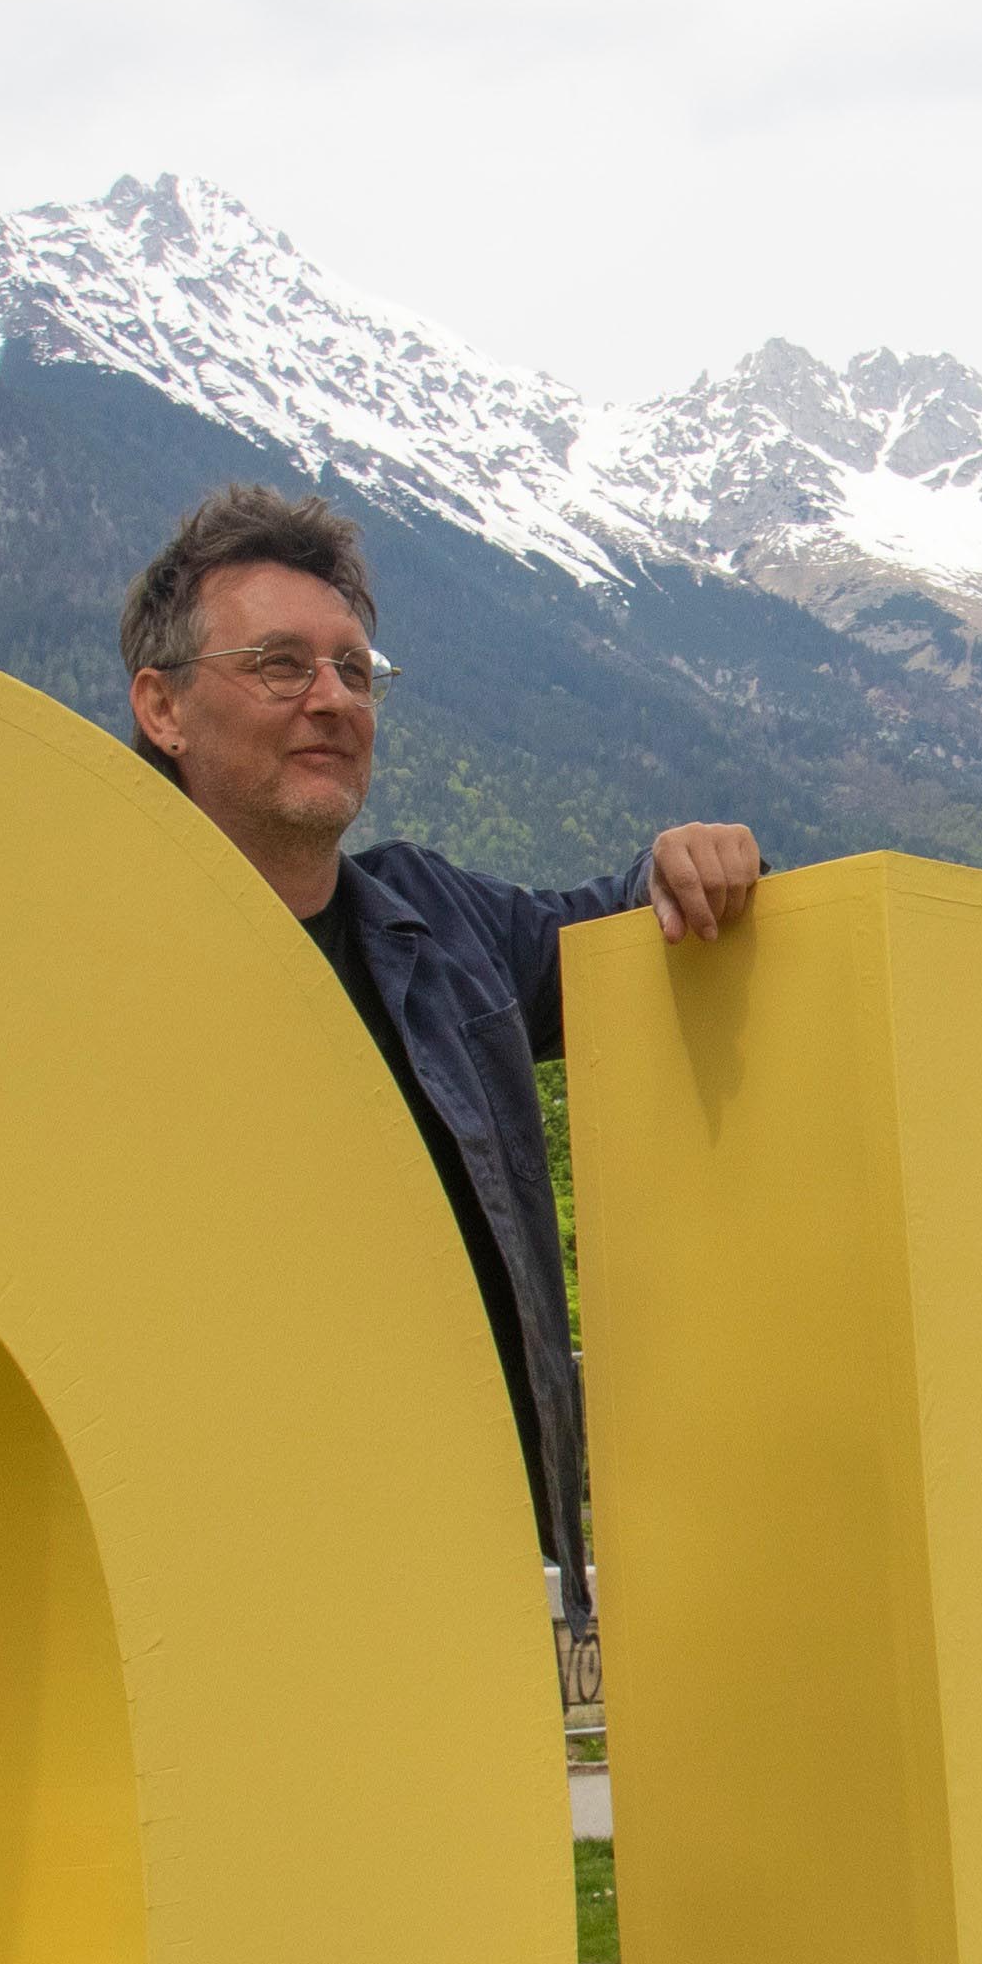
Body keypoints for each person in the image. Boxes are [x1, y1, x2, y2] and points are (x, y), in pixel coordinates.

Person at [123, 484, 765, 1599]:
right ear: (163, 708)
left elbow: (614, 929)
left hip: (468, 1566)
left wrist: (681, 861)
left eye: (355, 670)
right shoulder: (93, 953)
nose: (331, 699)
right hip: (205, 1571)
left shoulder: (441, 928)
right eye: (280, 665)